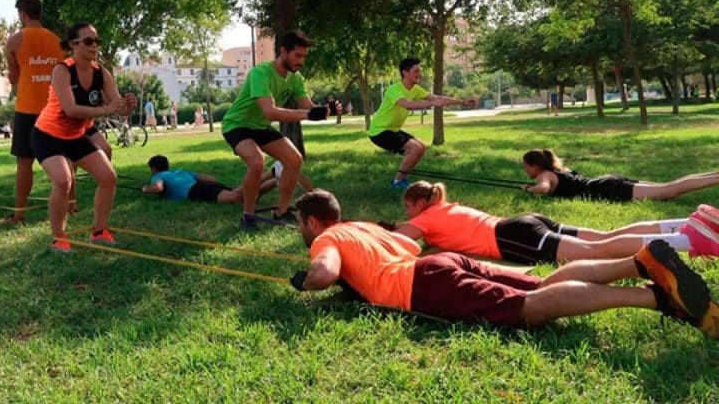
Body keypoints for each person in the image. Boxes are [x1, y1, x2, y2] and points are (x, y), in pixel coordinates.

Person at [289, 189, 719, 337]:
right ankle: (639, 262)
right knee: (541, 287)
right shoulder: (362, 226)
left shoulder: (326, 238)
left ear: (311, 221)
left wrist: (305, 281)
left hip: (422, 285)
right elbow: (405, 247)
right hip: (440, 263)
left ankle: (656, 299)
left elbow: (324, 273)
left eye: (299, 224)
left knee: (530, 309)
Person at [390, 181, 719, 265]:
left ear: (419, 203)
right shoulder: (444, 205)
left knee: (597, 251)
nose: (407, 214)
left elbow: (399, 241)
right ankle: (686, 222)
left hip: (513, 237)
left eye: (407, 208)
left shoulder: (425, 217)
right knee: (606, 237)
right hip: (525, 222)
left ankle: (690, 239)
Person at [31, 22, 136, 253]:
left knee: (108, 177)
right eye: (88, 41)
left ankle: (99, 231)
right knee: (63, 181)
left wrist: (127, 106)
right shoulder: (62, 71)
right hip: (47, 136)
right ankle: (59, 238)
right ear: (73, 45)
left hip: (75, 136)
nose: (94, 45)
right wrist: (107, 109)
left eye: (97, 41)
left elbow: (117, 107)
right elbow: (70, 109)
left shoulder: (102, 73)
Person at [220, 30, 330, 230]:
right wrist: (307, 114)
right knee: (257, 162)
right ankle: (248, 217)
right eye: (297, 55)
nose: (301, 61)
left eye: (304, 57)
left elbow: (308, 107)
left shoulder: (296, 78)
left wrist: (325, 110)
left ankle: (281, 211)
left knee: (295, 160)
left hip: (260, 126)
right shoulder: (260, 73)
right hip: (237, 125)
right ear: (283, 51)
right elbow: (269, 112)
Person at [1, 0, 65, 225]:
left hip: (27, 108)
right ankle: (71, 204)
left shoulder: (14, 41)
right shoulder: (57, 41)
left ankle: (19, 213)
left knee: (24, 162)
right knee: (62, 157)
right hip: (55, 107)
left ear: (22, 14)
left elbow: (14, 75)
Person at [367, 58, 463, 190]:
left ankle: (401, 179)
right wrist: (431, 103)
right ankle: (397, 182)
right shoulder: (394, 89)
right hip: (379, 131)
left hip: (392, 130)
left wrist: (462, 102)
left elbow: (437, 98)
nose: (419, 74)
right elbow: (407, 104)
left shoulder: (415, 89)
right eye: (416, 71)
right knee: (415, 148)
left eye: (419, 71)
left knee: (421, 148)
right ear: (405, 72)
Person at [523, 149, 719, 202]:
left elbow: (544, 188)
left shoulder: (544, 174)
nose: (525, 171)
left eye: (526, 167)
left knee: (669, 190)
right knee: (669, 186)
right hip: (607, 182)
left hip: (608, 189)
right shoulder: (558, 170)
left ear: (536, 166)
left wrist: (530, 189)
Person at [142, 155, 276, 204]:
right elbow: (210, 178)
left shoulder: (157, 176)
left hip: (195, 191)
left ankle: (270, 175)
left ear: (154, 169)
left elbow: (158, 187)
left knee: (237, 198)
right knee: (239, 193)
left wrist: (145, 188)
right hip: (205, 184)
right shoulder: (180, 172)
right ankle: (275, 180)